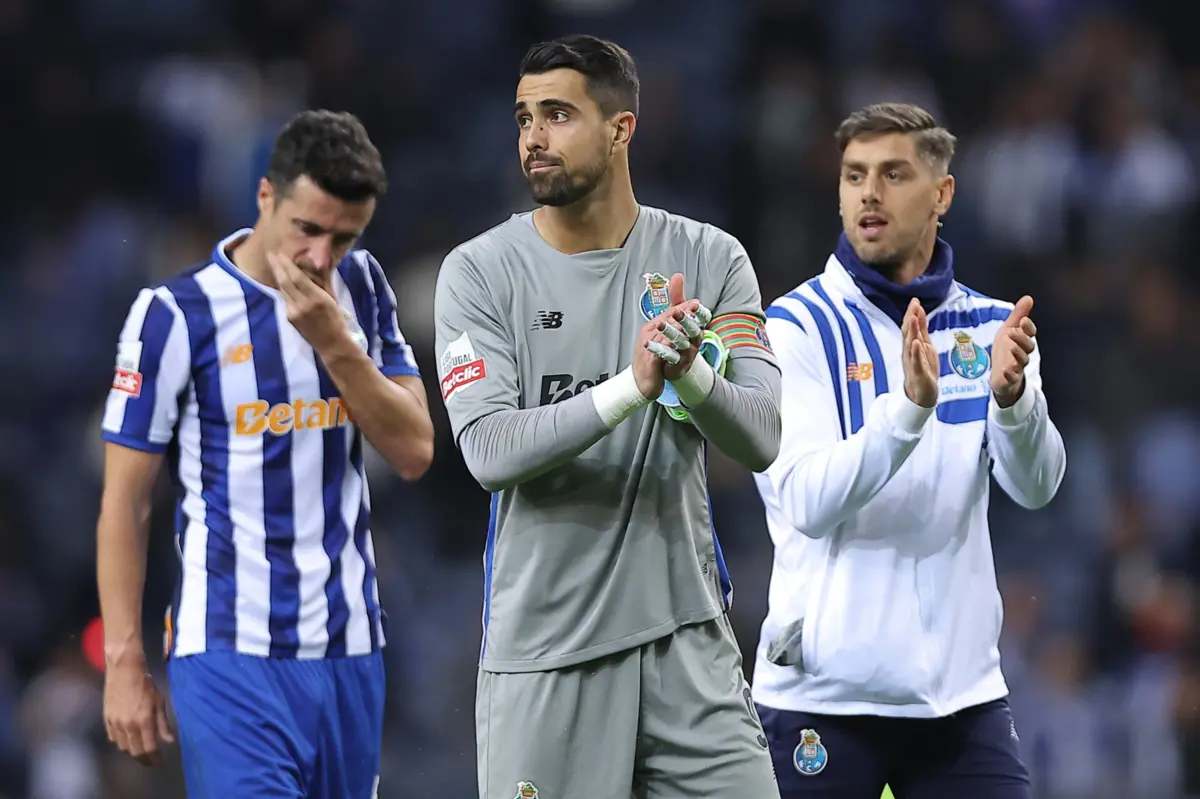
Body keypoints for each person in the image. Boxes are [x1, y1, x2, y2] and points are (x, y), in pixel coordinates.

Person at [433, 34, 783, 799]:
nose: (533, 138)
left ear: (622, 129)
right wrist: (633, 384)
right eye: (524, 118)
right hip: (548, 654)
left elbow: (760, 435)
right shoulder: (478, 274)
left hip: (688, 643)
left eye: (557, 115)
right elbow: (489, 449)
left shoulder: (710, 257)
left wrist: (689, 376)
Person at [96, 109, 435, 798]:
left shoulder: (362, 289)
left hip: (350, 647)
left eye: (343, 237)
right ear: (264, 198)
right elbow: (125, 500)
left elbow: (415, 449)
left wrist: (335, 343)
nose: (319, 256)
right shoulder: (176, 313)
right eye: (306, 229)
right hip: (230, 651)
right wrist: (124, 658)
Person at [750, 101, 1068, 798]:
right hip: (822, 702)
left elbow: (1036, 486)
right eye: (854, 175)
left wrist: (1015, 401)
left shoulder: (991, 326)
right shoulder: (792, 327)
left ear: (942, 193)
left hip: (960, 699)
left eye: (893, 173)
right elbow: (805, 499)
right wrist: (907, 411)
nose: (869, 192)